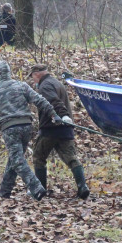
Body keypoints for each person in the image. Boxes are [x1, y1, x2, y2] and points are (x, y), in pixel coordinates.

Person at [0, 61, 62, 200]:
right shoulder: (21, 85)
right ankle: (4, 192)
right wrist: (53, 114)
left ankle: (36, 188)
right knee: (14, 159)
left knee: (17, 160)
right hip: (27, 127)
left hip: (10, 128)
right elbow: (39, 100)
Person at [29, 64, 89, 199]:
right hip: (65, 128)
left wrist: (63, 115)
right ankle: (82, 186)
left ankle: (40, 190)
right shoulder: (57, 82)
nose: (33, 80)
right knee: (71, 158)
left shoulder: (45, 86)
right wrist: (67, 118)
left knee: (38, 157)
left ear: (37, 74)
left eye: (32, 76)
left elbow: (54, 102)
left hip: (51, 128)